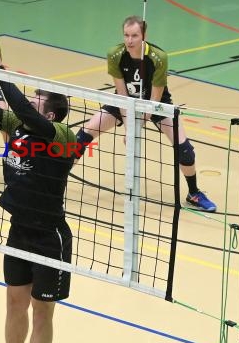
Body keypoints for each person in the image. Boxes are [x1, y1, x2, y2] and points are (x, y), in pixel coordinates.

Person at [0, 38, 74, 343]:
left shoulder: (59, 137)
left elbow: (21, 108)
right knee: (14, 303)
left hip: (49, 237)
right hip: (19, 231)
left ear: (50, 113)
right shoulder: (19, 128)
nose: (28, 102)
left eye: (36, 99)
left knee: (42, 313)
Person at [75, 15, 216, 212]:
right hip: (124, 102)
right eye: (126, 35)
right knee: (81, 137)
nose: (130, 40)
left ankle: (194, 193)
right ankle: (55, 181)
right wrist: (129, 126)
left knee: (185, 150)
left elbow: (155, 100)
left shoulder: (158, 58)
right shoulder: (115, 54)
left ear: (144, 35)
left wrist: (137, 127)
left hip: (156, 105)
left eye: (134, 35)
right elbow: (122, 95)